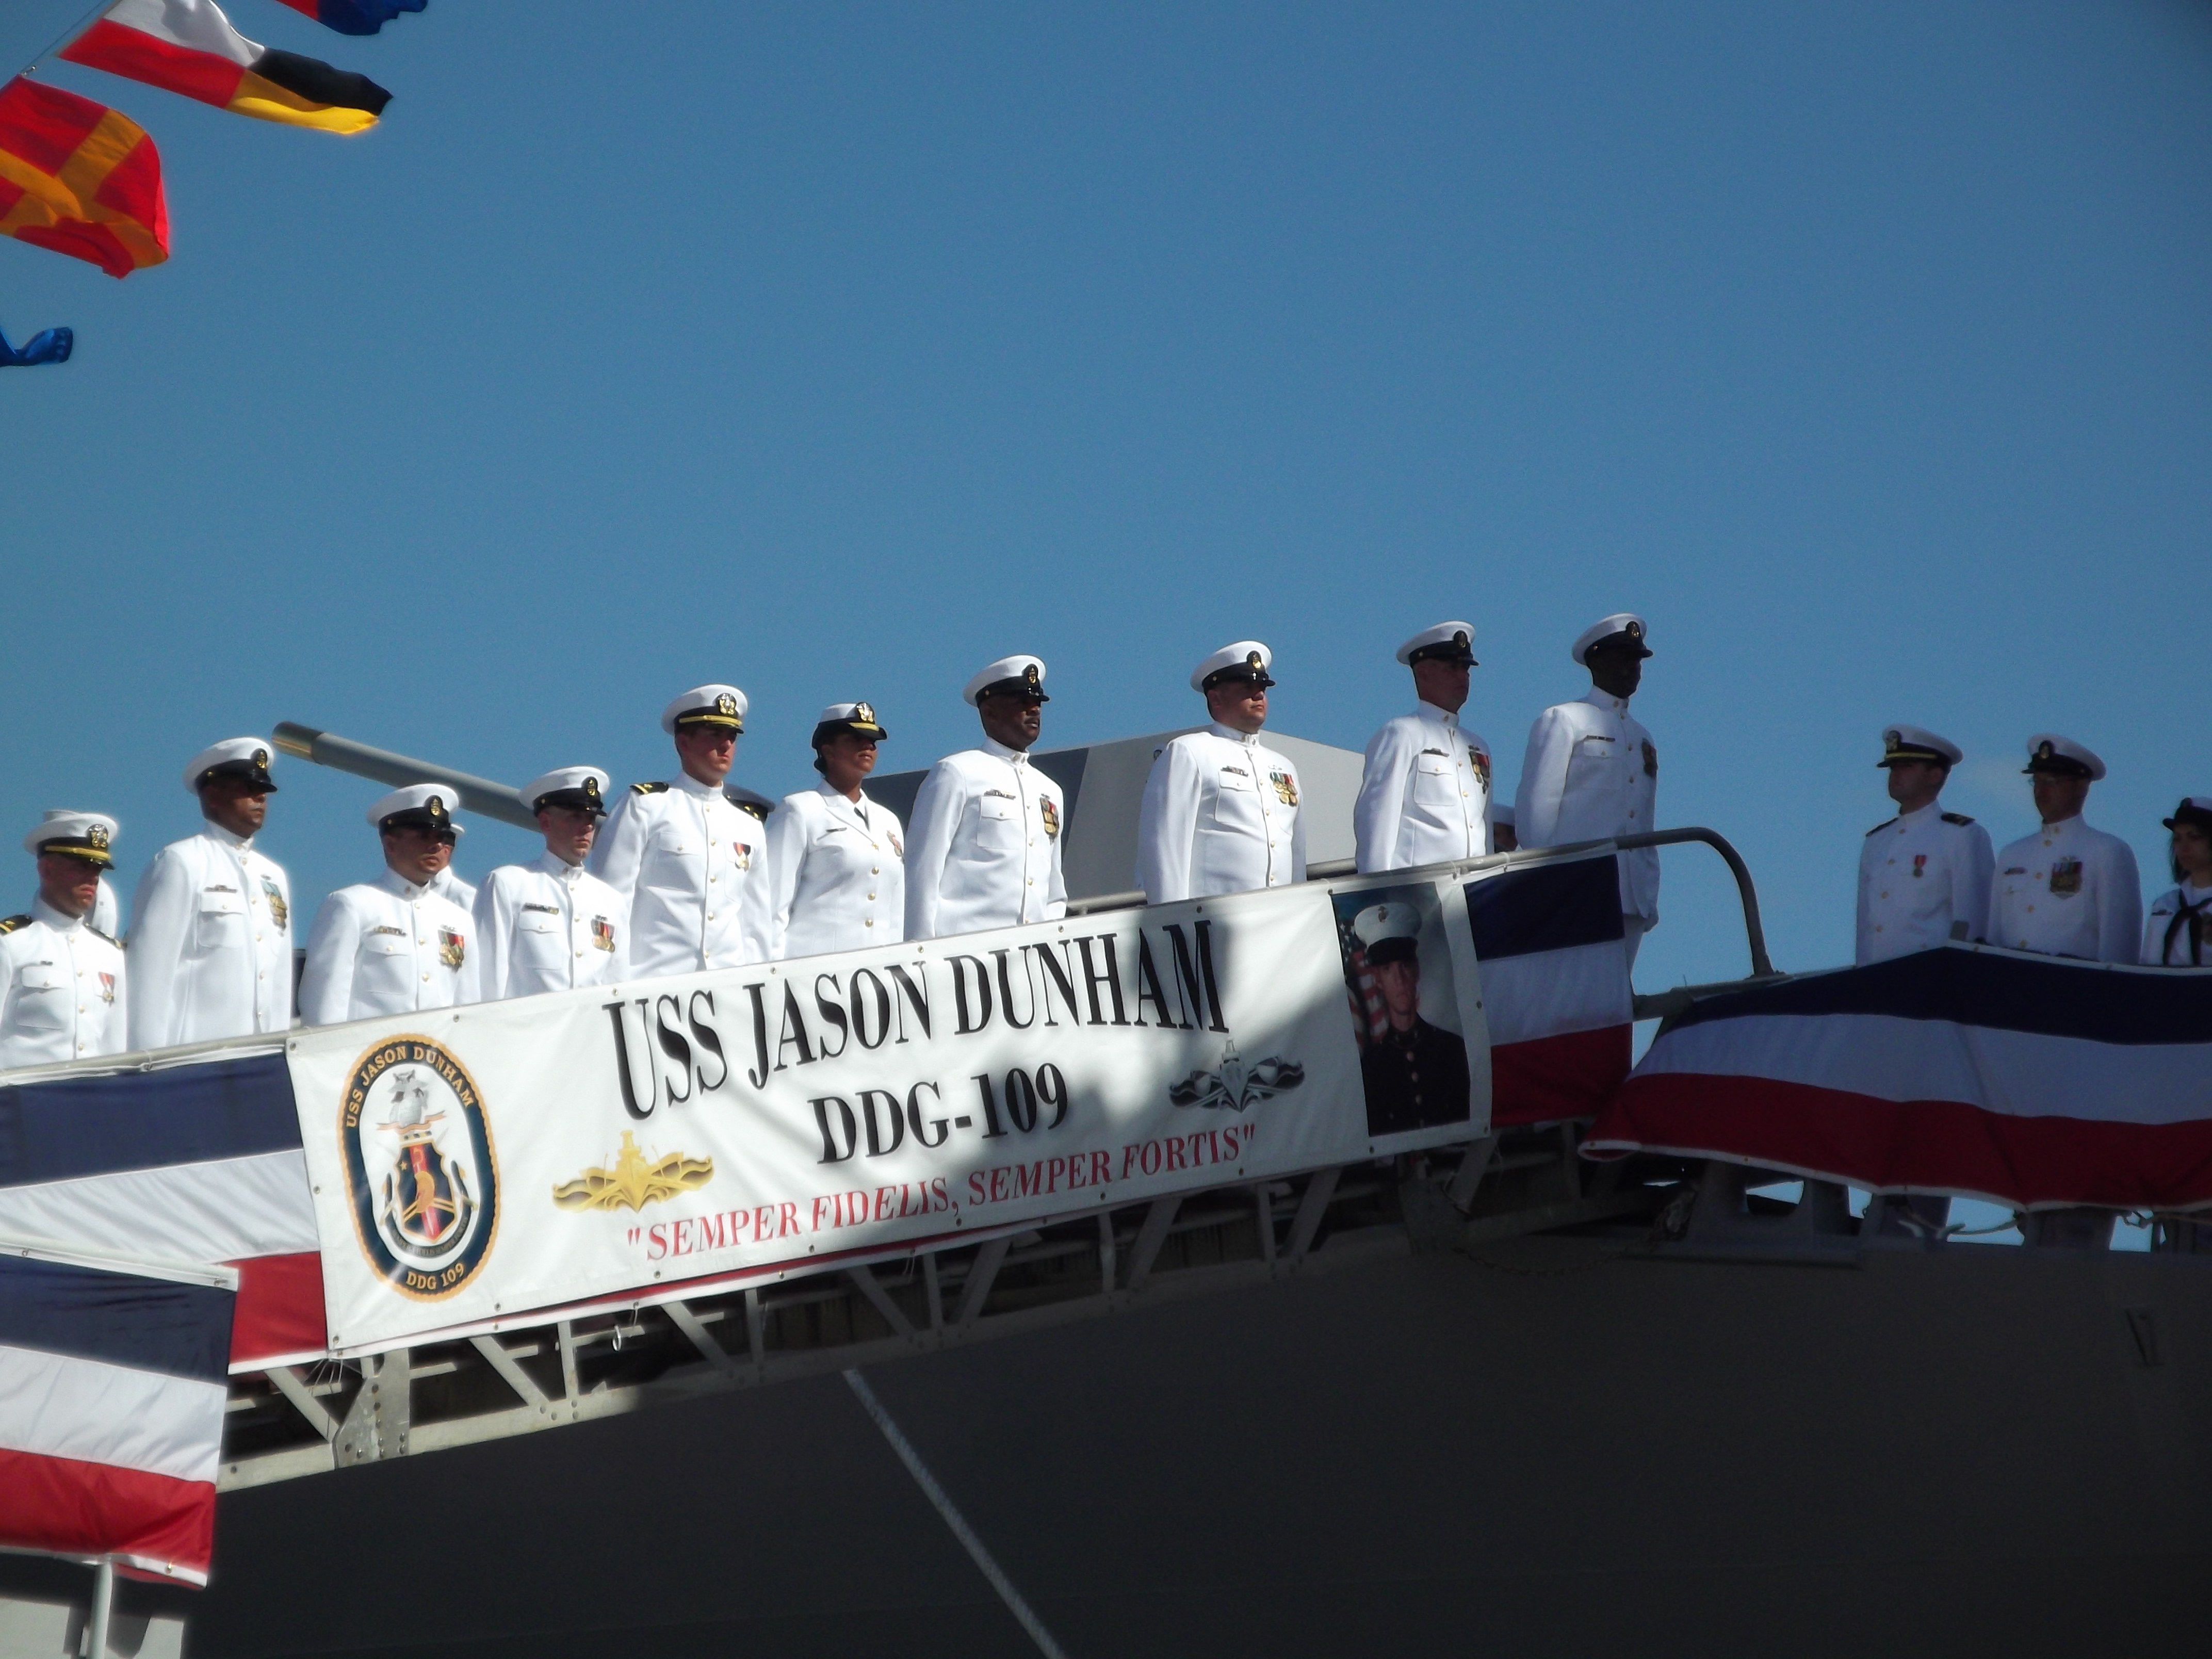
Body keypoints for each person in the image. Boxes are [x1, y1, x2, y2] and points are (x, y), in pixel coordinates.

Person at [588, 685, 775, 976]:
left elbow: (756, 924)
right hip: (655, 982)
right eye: (715, 735)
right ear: (684, 742)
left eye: (732, 736)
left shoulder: (748, 825)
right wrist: (613, 984)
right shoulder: (645, 805)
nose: (726, 745)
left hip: (729, 986)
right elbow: (610, 900)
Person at [126, 738, 294, 1051]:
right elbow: (148, 974)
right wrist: (146, 1062)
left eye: (263, 790)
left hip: (261, 1057)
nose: (260, 797)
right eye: (247, 788)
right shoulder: (182, 862)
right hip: (195, 1057)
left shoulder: (273, 876)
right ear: (214, 796)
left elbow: (281, 978)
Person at [1512, 614, 1661, 966]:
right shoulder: (1565, 719)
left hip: (1632, 894)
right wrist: (1552, 885)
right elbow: (1536, 814)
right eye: (1624, 658)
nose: (1633, 668)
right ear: (1597, 661)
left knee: (1619, 995)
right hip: (1578, 888)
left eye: (1637, 660)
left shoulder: (1642, 737)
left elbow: (1645, 821)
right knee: (1574, 992)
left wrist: (1650, 893)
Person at [905, 656, 1067, 940]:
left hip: (1033, 954)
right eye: (1022, 702)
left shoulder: (1050, 790)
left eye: (1037, 703)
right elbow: (922, 871)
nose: (1034, 710)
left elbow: (1054, 890)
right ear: (990, 713)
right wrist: (920, 951)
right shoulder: (957, 773)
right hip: (964, 951)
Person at [1136, 642, 1307, 903]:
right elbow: (1164, 847)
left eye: (1262, 688)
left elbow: (1297, 854)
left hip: (1281, 917)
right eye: (1247, 688)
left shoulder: (1285, 768)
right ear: (1216, 699)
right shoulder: (1190, 752)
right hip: (1213, 919)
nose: (1259, 696)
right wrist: (1172, 918)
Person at [299, 785, 482, 1024]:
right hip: (370, 1048)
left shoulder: (459, 920)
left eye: (443, 838)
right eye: (424, 836)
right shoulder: (352, 905)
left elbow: (468, 1010)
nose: (436, 846)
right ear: (390, 844)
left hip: (439, 1049)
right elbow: (324, 1003)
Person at [474, 768, 630, 1000]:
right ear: (546, 823)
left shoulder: (612, 901)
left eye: (591, 819)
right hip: (529, 1022)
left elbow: (619, 989)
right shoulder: (508, 885)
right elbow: (487, 979)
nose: (587, 827)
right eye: (576, 817)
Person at [768, 703, 905, 958]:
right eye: (855, 739)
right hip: (813, 969)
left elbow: (895, 913)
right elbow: (773, 905)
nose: (867, 747)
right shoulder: (800, 810)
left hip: (877, 972)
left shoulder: (889, 822)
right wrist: (771, 972)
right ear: (828, 751)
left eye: (873, 742)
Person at [1987, 736, 2141, 963]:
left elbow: (2119, 947)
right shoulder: (2012, 854)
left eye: (2053, 781)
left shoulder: (2107, 851)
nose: (2041, 791)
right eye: (2037, 781)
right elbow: (1993, 938)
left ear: (2081, 786)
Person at [1354, 622, 1492, 873]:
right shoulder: (1403, 733)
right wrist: (1377, 888)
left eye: (1466, 669)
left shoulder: (1479, 748)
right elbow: (1377, 818)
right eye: (1452, 668)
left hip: (1474, 885)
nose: (1463, 677)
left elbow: (1484, 828)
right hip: (1419, 886)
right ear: (1425, 673)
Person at [1855, 725, 1994, 964]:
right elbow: (1866, 927)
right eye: (1893, 768)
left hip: (1933, 974)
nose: (1896, 774)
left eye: (1907, 767)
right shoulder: (1876, 842)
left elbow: (1973, 921)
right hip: (1876, 978)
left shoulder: (1961, 835)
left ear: (1935, 775)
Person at [1, 812, 128, 1069]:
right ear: (47, 869)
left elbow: (116, 1049)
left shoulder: (110, 955)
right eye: (81, 867)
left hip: (92, 1092)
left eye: (98, 869)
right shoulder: (12, 943)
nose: (92, 878)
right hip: (22, 1091)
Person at [1350, 900, 1469, 1136]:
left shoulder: (1453, 1050)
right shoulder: (1370, 1068)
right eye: (1388, 970)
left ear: (1416, 970)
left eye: (1404, 966)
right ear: (1378, 981)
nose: (1399, 979)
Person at [2143, 797, 2212, 967]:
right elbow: (2146, 965)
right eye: (2177, 838)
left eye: (2195, 837)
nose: (2184, 847)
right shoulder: (2165, 904)